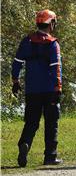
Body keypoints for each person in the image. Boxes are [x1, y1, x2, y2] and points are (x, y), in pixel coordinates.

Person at [12, 9, 63, 167]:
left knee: (31, 122)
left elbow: (17, 63)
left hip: (32, 90)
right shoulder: (53, 44)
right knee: (51, 122)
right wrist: (58, 88)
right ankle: (50, 156)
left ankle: (24, 144)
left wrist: (15, 81)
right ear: (51, 24)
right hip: (49, 90)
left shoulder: (27, 41)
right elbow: (56, 68)